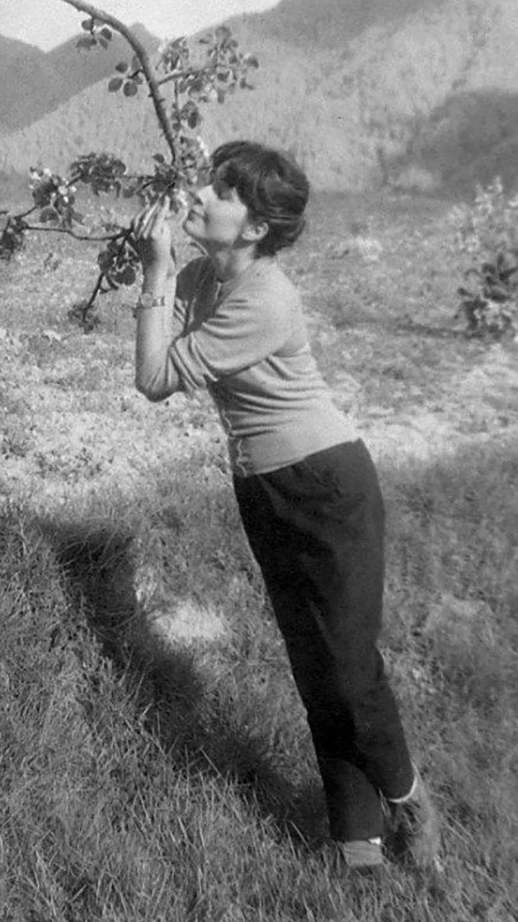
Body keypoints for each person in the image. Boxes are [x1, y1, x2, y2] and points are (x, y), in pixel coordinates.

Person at [130, 140, 441, 874]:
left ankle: (408, 798)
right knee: (314, 665)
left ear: (256, 227)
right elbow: (156, 316)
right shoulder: (209, 274)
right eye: (206, 183)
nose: (203, 195)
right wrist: (161, 262)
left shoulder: (266, 297)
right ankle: (355, 843)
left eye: (222, 191)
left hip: (328, 486)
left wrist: (154, 271)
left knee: (346, 666)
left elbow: (151, 375)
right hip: (262, 488)